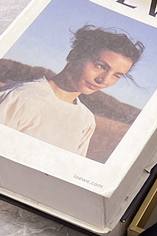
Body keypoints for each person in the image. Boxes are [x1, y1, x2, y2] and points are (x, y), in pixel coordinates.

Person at [0, 25, 144, 157]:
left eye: (116, 75)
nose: (104, 80)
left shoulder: (86, 120)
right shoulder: (20, 97)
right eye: (100, 66)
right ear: (74, 55)